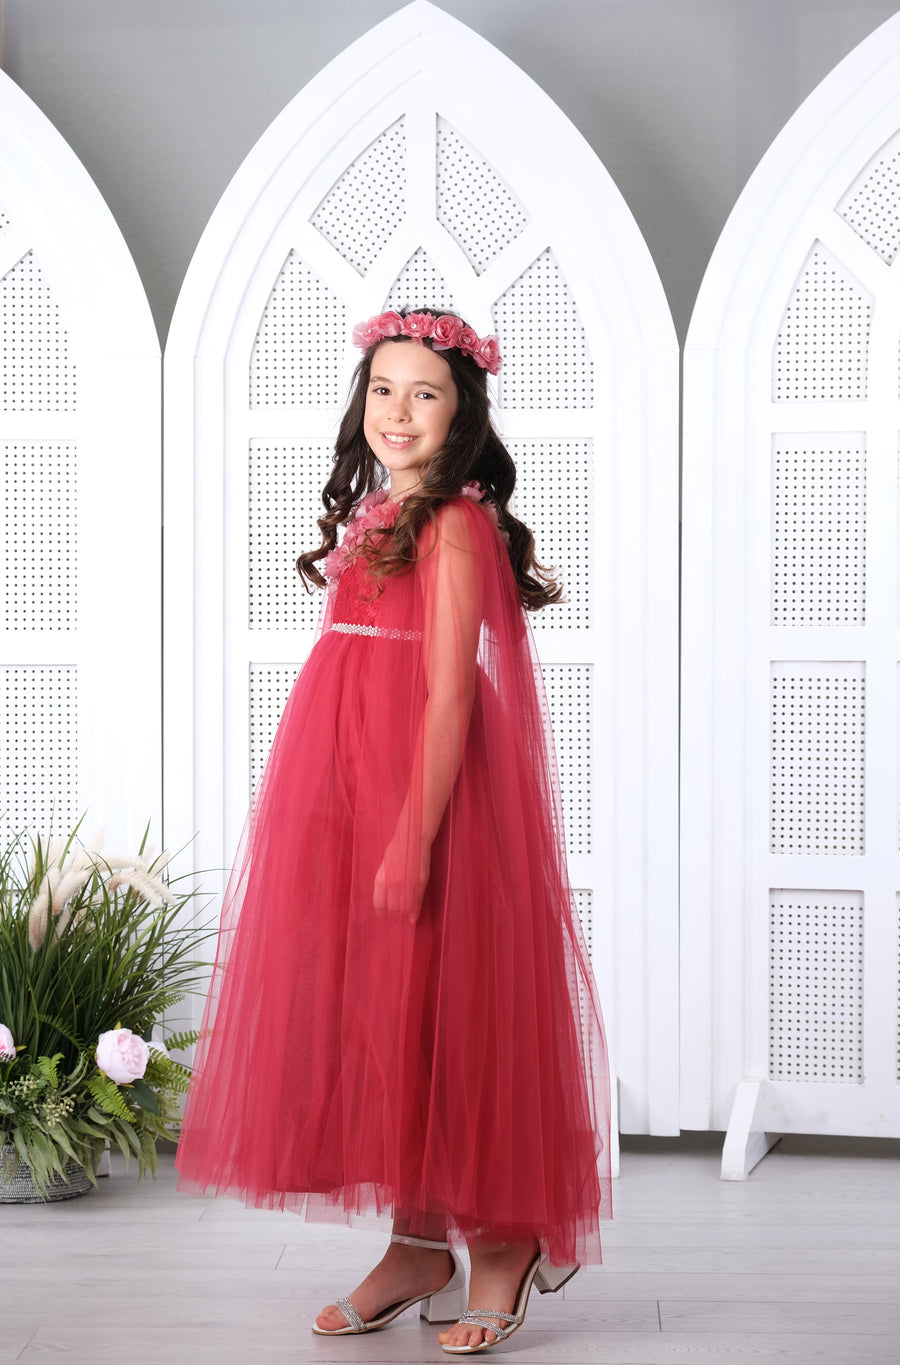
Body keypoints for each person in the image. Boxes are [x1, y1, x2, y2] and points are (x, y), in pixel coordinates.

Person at [175, 307, 611, 1354]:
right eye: (383, 389)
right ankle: (418, 1243)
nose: (399, 411)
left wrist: (413, 835)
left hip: (430, 794)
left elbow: (451, 693)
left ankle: (505, 1236)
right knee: (383, 1013)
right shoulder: (380, 511)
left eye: (426, 392)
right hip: (346, 785)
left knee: (452, 1011)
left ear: (462, 413)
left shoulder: (455, 522)